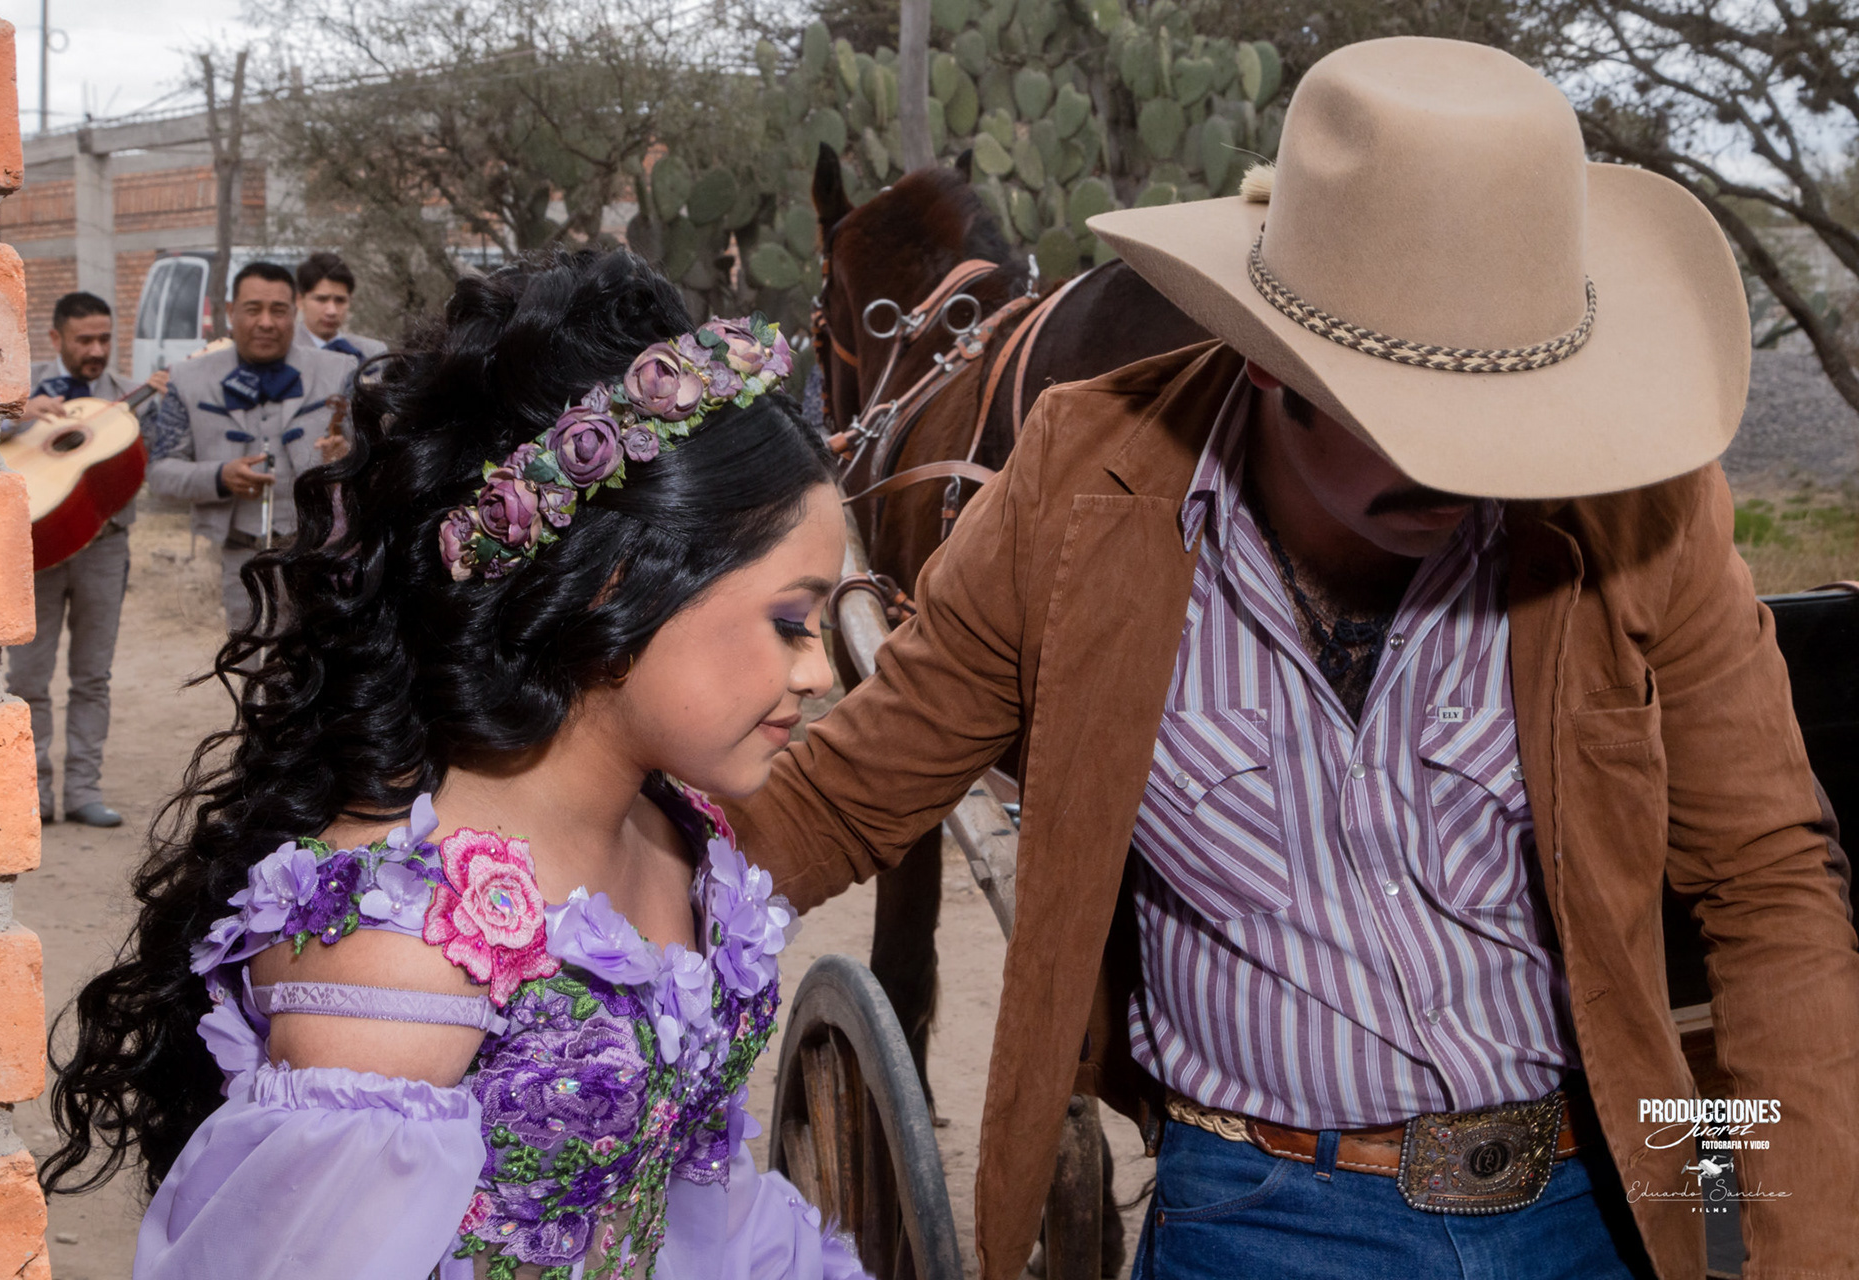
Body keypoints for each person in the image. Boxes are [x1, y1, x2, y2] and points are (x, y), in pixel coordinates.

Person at [722, 38, 1859, 1280]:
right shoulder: (1079, 491)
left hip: (1602, 1199)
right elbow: (842, 798)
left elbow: (1768, 883)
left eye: (1512, 415)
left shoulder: (1638, 505)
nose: (1476, 469)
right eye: (1413, 416)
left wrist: (1807, 1255)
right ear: (1270, 353)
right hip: (1261, 1214)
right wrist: (582, 923)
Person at [41, 248, 870, 1280]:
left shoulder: (671, 831)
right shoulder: (399, 956)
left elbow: (700, 1205)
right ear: (614, 585)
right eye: (789, 620)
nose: (818, 670)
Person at [6, 291, 169, 827]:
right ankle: (32, 794)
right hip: (37, 547)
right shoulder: (16, 388)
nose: (97, 350)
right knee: (27, 677)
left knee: (92, 675)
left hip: (106, 547)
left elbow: (155, 465)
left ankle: (83, 791)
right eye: (84, 340)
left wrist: (156, 412)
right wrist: (13, 414)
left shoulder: (131, 393)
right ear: (56, 338)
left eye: (104, 339)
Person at [146, 261, 357, 635]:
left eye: (278, 310)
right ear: (230, 312)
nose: (266, 322)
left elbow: (373, 460)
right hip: (240, 557)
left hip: (319, 557)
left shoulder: (340, 371)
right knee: (249, 658)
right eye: (253, 309)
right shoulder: (188, 378)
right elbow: (161, 473)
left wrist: (346, 459)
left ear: (294, 311)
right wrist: (219, 477)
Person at [292, 250, 388, 362]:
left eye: (340, 300)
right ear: (299, 300)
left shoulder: (373, 353)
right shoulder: (284, 352)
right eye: (322, 299)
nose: (332, 311)